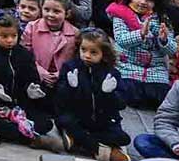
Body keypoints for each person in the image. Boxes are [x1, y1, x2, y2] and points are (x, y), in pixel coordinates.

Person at [0, 12, 61, 151]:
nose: (10, 40)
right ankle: (35, 139)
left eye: (13, 36)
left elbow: (32, 78)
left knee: (45, 123)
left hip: (19, 105)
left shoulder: (24, 54)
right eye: (4, 36)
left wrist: (32, 89)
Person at [54, 28, 130, 161]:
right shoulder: (70, 67)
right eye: (83, 50)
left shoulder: (112, 73)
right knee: (64, 121)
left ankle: (79, 141)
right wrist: (71, 88)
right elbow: (61, 100)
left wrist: (108, 94)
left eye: (93, 52)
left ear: (104, 54)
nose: (87, 55)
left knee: (123, 138)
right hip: (78, 117)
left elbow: (121, 104)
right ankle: (100, 148)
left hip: (102, 121)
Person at [108, 0, 177, 108]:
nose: (143, 2)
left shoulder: (162, 19)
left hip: (155, 70)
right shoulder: (120, 15)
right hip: (128, 67)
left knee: (160, 98)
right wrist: (141, 34)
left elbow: (172, 49)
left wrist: (164, 40)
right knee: (125, 94)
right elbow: (122, 40)